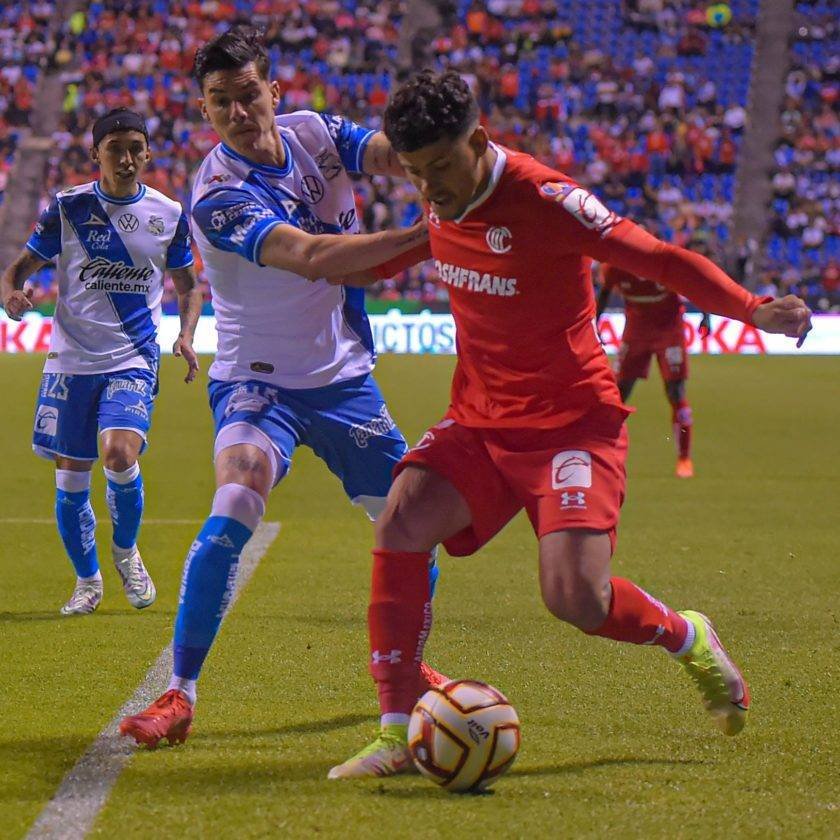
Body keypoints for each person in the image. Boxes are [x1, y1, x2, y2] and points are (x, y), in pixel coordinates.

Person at [328, 70, 812, 779]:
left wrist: (751, 306)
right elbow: (397, 248)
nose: (429, 189)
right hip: (481, 422)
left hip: (570, 428)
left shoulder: (547, 198)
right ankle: (397, 730)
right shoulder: (439, 202)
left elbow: (657, 257)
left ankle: (687, 636)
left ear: (480, 142)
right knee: (400, 519)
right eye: (413, 174)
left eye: (439, 169)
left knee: (575, 599)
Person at [119, 27, 441, 749]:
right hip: (256, 384)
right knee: (233, 505)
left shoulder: (316, 133)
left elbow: (387, 154)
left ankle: (409, 673)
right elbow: (317, 256)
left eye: (246, 93)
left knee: (415, 528)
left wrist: (438, 163)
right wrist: (434, 231)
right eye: (218, 101)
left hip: (344, 382)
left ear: (273, 88)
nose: (236, 110)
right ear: (205, 109)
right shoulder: (218, 194)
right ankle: (180, 694)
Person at [0, 107, 202, 616]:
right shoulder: (66, 208)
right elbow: (17, 270)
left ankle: (126, 552)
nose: (127, 158)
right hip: (70, 362)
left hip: (132, 359)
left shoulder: (169, 214)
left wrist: (187, 334)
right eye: (116, 148)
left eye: (136, 148)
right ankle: (88, 582)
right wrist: (11, 294)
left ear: (149, 152)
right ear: (96, 154)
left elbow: (188, 286)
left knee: (118, 455)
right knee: (70, 479)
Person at [595, 263, 711, 477]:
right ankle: (603, 451)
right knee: (618, 393)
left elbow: (695, 285)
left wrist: (706, 316)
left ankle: (684, 458)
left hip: (669, 331)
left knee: (675, 392)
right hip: (636, 331)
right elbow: (603, 294)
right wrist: (595, 323)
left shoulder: (663, 262)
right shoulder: (614, 268)